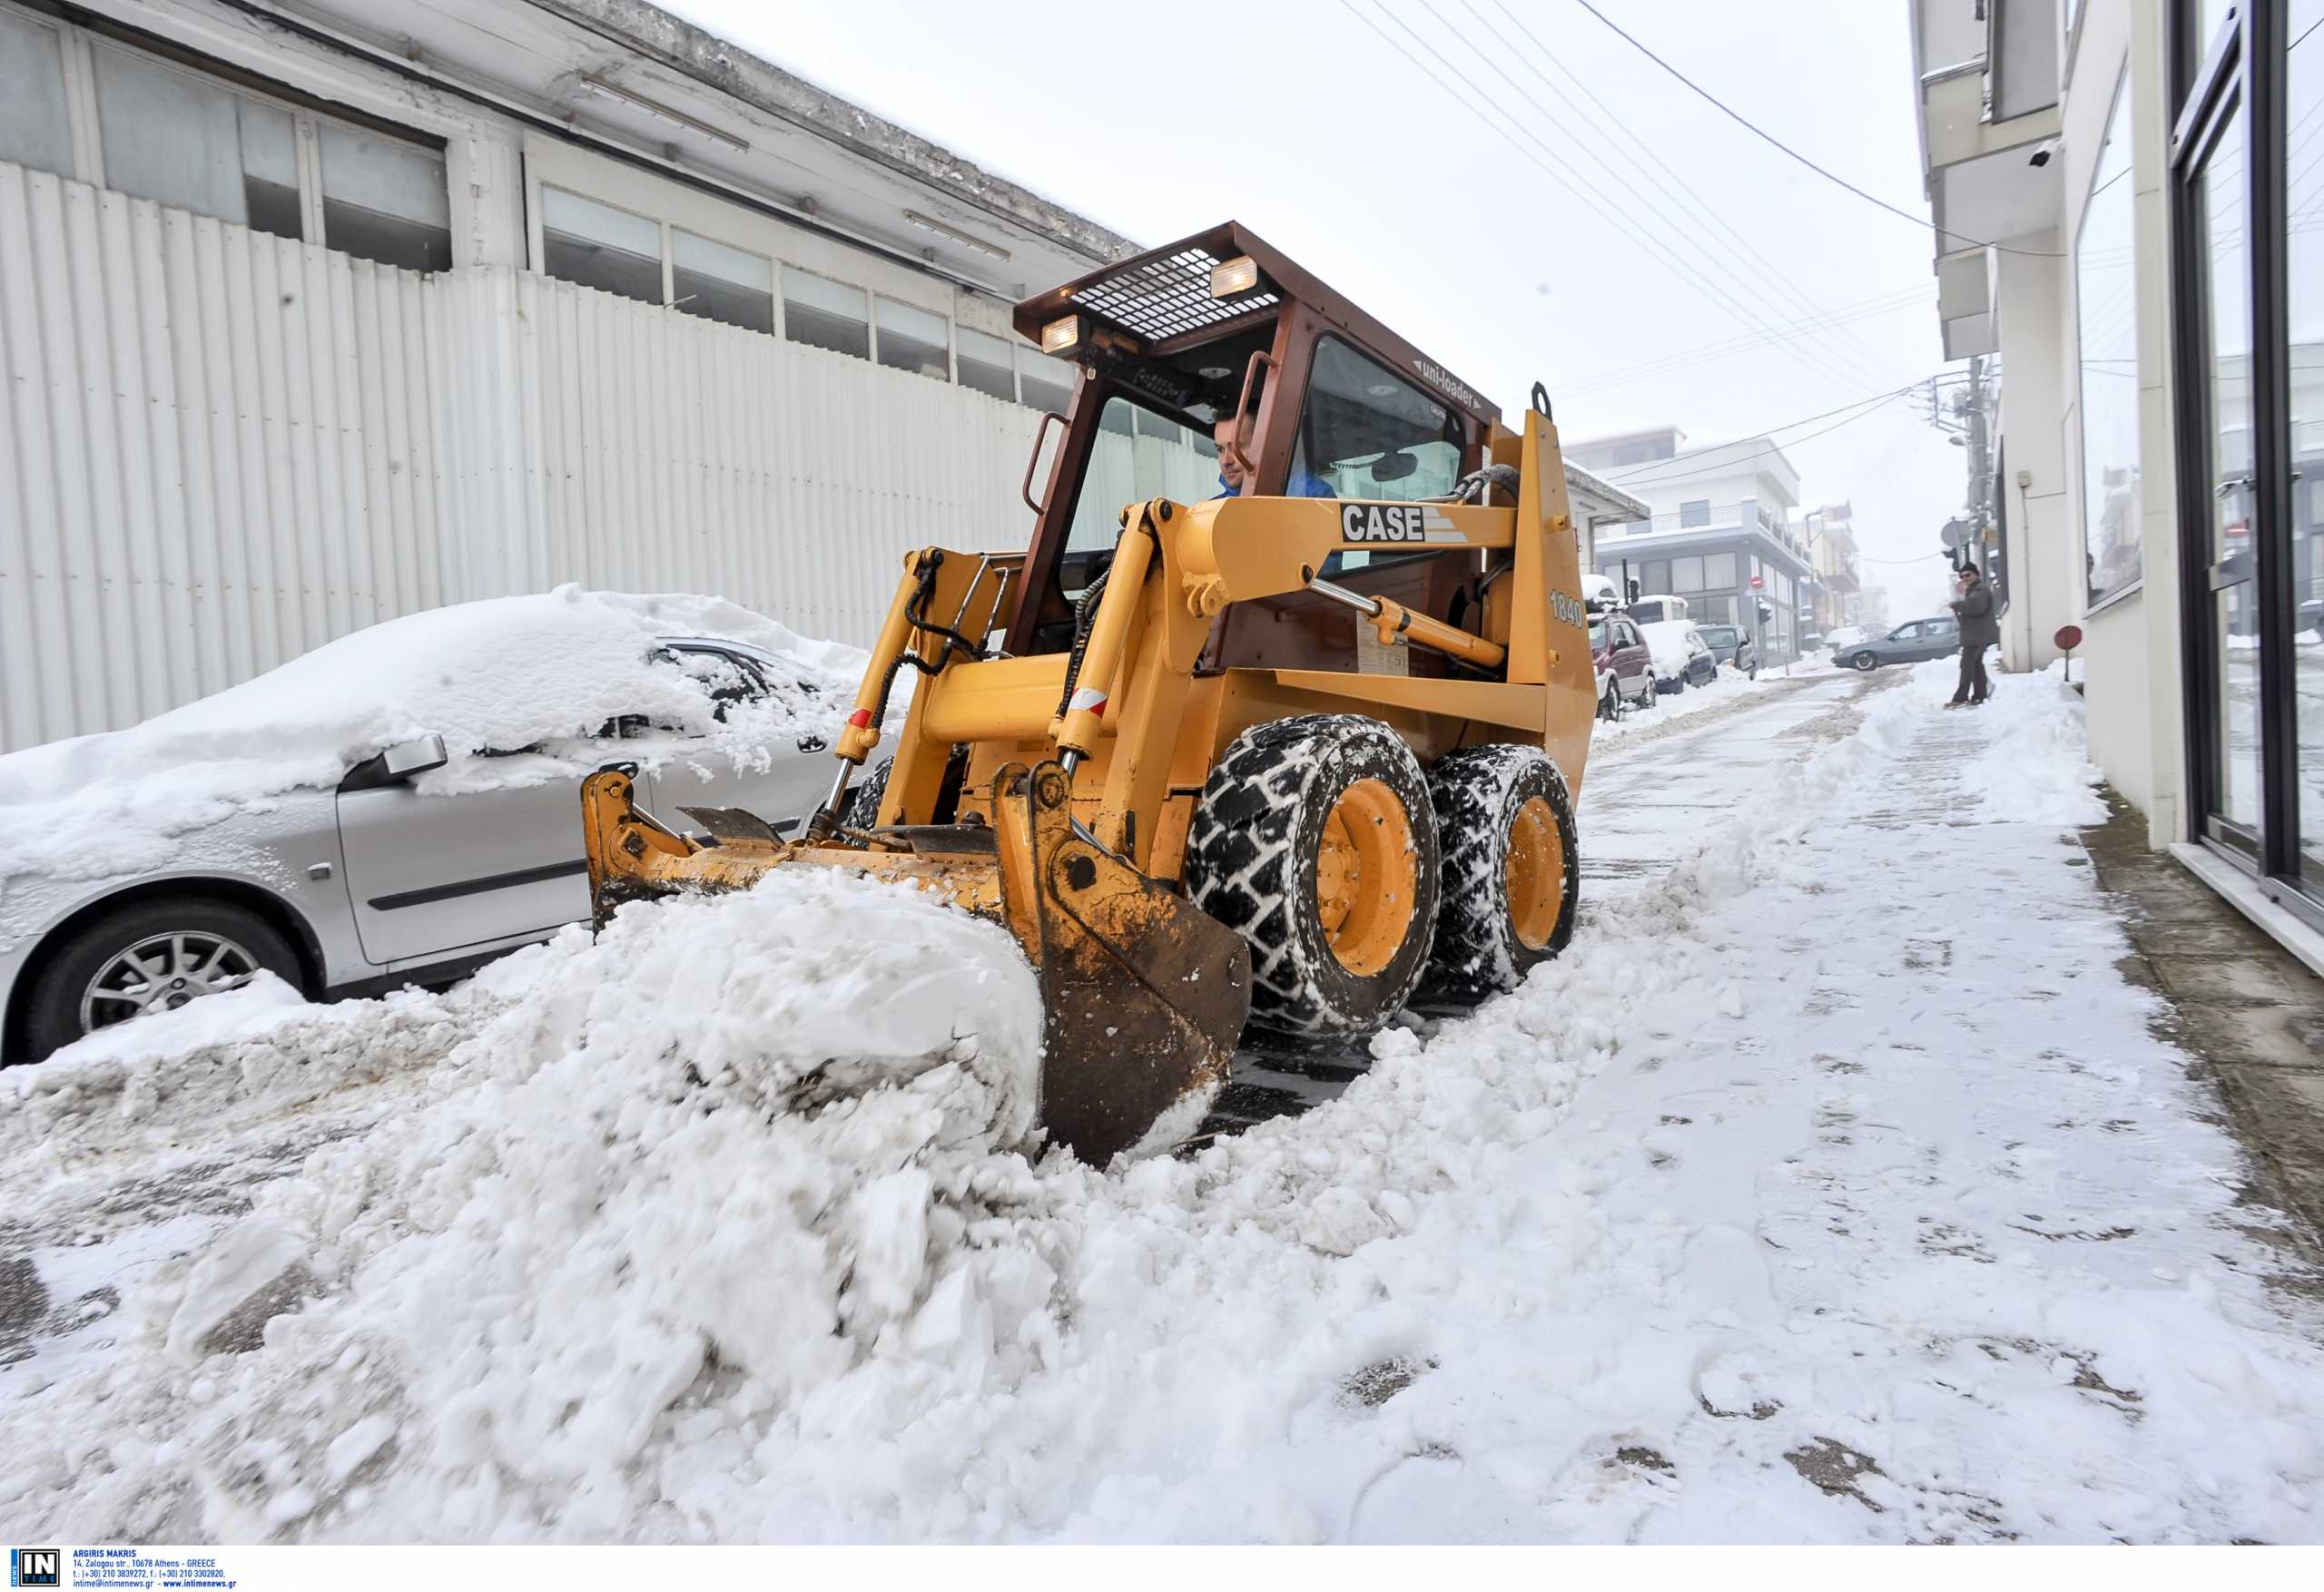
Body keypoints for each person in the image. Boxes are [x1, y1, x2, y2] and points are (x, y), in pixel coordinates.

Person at [1212, 412, 1334, 500]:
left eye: (1236, 447)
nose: (1225, 461)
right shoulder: (1213, 511)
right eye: (1220, 449)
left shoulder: (1312, 497)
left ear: (1263, 445)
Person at [1946, 563, 1999, 708]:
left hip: (1977, 636)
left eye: (1968, 575)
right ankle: (1980, 695)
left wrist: (1956, 605)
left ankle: (1960, 697)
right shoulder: (1973, 590)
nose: (1965, 578)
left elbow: (1975, 607)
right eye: (1962, 576)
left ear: (1976, 574)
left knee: (1967, 666)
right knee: (1975, 665)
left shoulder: (1981, 589)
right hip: (1975, 635)